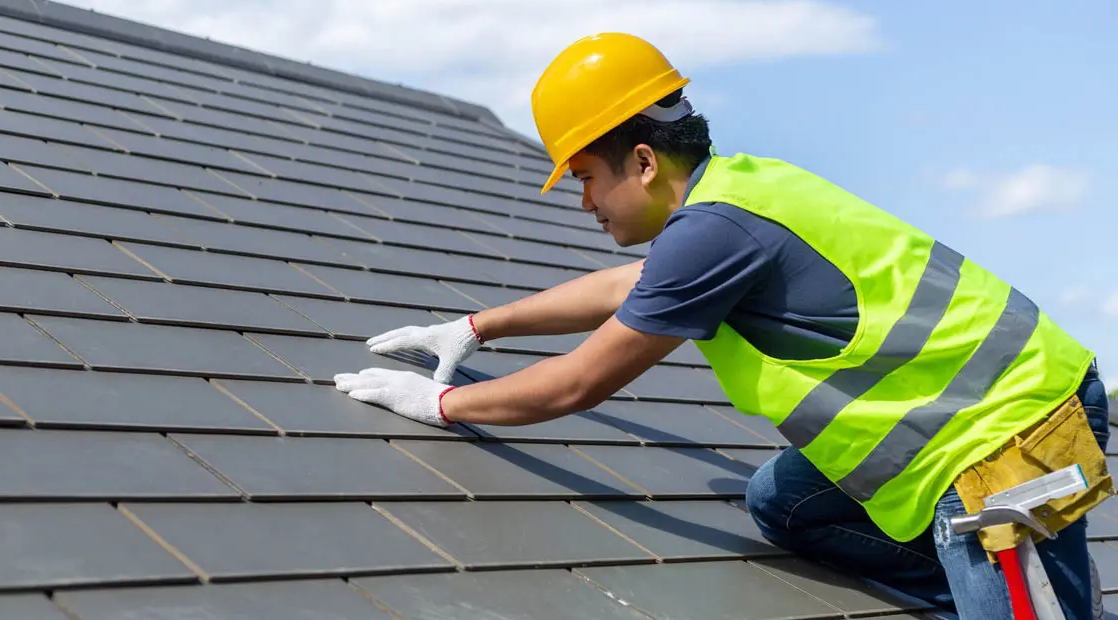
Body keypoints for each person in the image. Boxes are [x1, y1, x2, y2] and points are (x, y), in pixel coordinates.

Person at [333, 32, 1112, 618]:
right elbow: (626, 286)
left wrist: (440, 405)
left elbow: (579, 381)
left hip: (1007, 439)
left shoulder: (714, 230)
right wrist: (476, 327)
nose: (584, 203)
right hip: (965, 421)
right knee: (785, 501)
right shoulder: (732, 197)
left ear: (641, 162)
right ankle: (979, 588)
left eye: (586, 179)